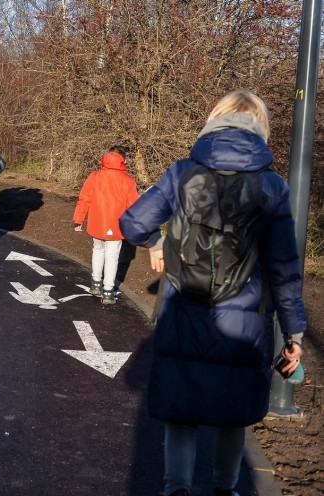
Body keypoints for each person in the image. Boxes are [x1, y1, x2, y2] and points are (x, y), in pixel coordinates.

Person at [119, 90, 306, 496]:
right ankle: (225, 489)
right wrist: (294, 335)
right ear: (260, 128)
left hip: (183, 313)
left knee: (181, 416)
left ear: (215, 120)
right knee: (232, 415)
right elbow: (283, 268)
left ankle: (177, 489)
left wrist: (155, 245)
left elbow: (132, 222)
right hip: (245, 322)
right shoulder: (272, 186)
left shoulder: (183, 171)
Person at [72, 146, 139, 304]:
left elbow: (84, 199)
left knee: (98, 250)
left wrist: (78, 219)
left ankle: (95, 284)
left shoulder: (95, 176)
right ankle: (108, 291)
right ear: (123, 160)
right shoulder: (128, 180)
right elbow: (134, 207)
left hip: (97, 223)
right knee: (112, 257)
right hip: (116, 226)